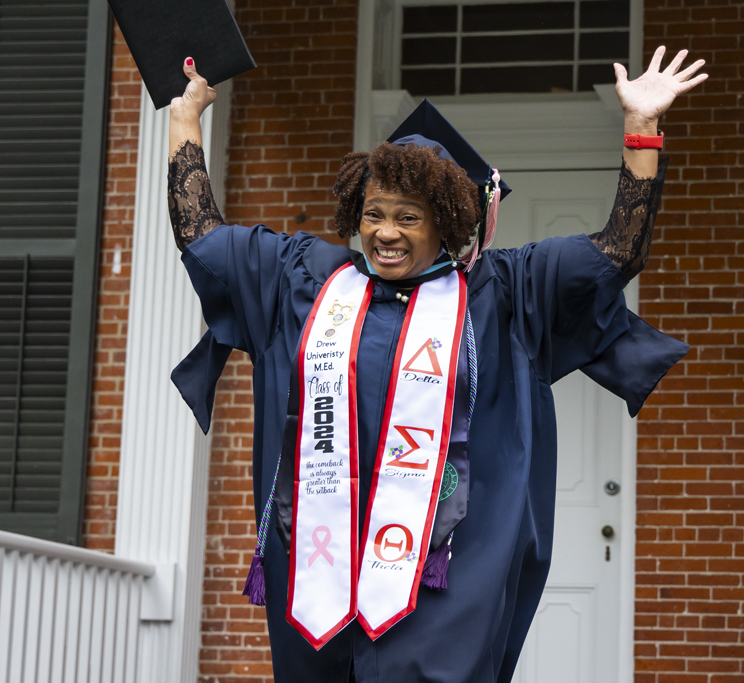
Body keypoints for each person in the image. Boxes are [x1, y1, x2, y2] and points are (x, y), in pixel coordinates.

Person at [168, 48, 706, 682]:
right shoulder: (304, 276)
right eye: (372, 214)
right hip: (322, 564)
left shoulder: (505, 291)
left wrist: (642, 128)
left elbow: (619, 250)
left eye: (407, 217)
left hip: (449, 572)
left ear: (446, 222)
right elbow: (201, 236)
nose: (385, 233)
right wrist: (186, 119)